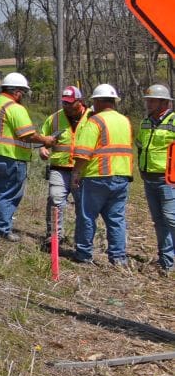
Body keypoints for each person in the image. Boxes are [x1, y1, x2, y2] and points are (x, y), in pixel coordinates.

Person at [0, 72, 57, 240]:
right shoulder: (14, 108)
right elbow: (27, 135)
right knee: (9, 193)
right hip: (8, 157)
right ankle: (2, 229)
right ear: (17, 92)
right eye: (23, 93)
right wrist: (46, 140)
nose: (23, 97)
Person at [73, 83, 134, 266]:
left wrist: (76, 172)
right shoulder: (125, 121)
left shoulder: (95, 121)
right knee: (116, 218)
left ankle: (84, 254)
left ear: (98, 102)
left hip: (97, 176)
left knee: (87, 216)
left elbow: (83, 152)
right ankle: (118, 258)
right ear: (114, 101)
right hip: (122, 176)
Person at [38, 86, 88, 251]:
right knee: (55, 200)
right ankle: (54, 238)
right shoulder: (55, 118)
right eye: (64, 102)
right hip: (59, 168)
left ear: (79, 102)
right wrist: (43, 148)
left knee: (84, 207)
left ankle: (81, 242)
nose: (66, 106)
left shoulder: (92, 117)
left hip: (83, 170)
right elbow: (43, 138)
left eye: (70, 103)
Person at [136, 84, 175, 274]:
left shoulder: (174, 121)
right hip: (149, 178)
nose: (148, 104)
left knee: (171, 219)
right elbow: (141, 147)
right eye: (148, 100)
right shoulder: (145, 122)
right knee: (159, 221)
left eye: (152, 100)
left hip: (169, 180)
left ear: (164, 102)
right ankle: (166, 260)